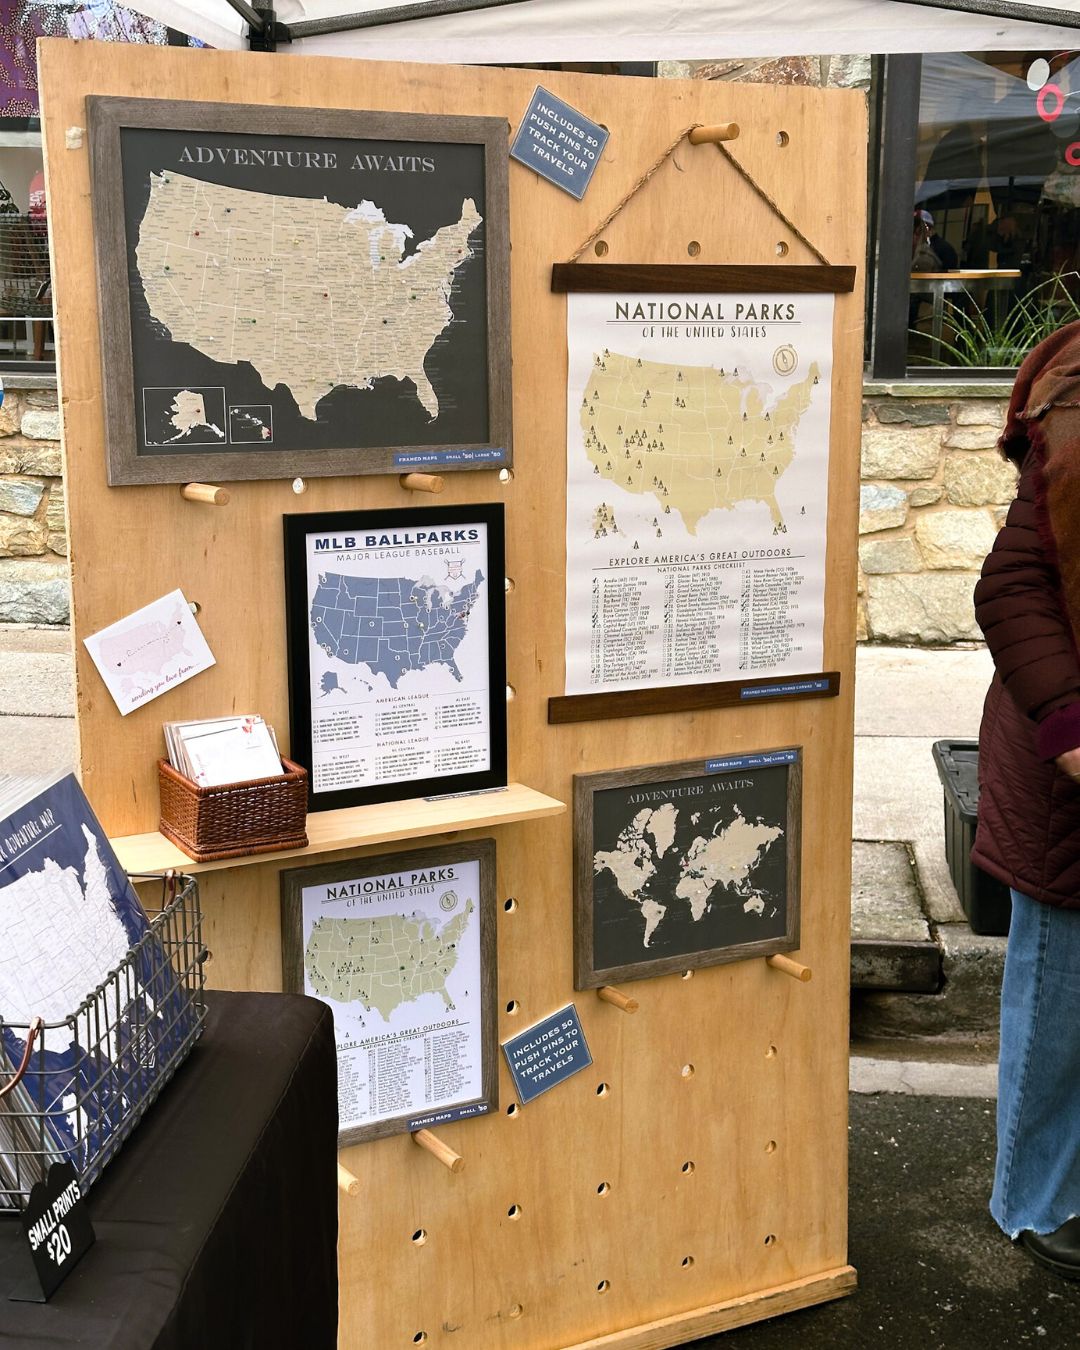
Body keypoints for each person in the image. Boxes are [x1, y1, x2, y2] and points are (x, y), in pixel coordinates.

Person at [972, 321, 1080, 1279]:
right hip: (1066, 776)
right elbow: (1010, 590)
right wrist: (1071, 732)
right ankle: (1035, 1201)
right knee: (1059, 1001)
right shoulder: (1072, 416)